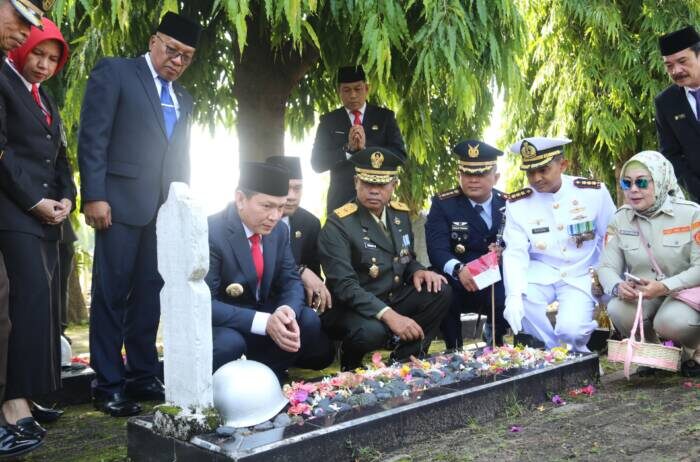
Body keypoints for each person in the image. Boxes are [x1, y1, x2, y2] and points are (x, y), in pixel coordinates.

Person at [78, 12, 202, 417]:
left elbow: (180, 158)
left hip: (164, 214)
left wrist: (182, 207)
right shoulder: (116, 73)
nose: (178, 62)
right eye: (172, 50)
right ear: (153, 42)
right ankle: (108, 384)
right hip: (117, 205)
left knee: (151, 293)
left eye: (187, 57)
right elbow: (94, 137)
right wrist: (94, 195)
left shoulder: (185, 99)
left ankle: (143, 373)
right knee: (112, 294)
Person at [0, 15, 73, 452]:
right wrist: (33, 202)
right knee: (23, 305)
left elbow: (59, 157)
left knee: (44, 306)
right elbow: (5, 155)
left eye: (52, 59)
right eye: (38, 54)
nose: (44, 65)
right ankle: (13, 402)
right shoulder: (4, 84)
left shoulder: (44, 98)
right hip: (15, 212)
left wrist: (68, 198)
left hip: (49, 216)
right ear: (22, 47)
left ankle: (29, 393)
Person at [318, 147, 451, 370]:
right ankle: (350, 362)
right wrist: (389, 316)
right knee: (372, 331)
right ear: (355, 182)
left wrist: (418, 270)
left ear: (393, 185)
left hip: (391, 296)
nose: (374, 191)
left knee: (441, 290)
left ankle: (405, 360)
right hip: (351, 308)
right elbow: (345, 286)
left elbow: (405, 258)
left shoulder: (399, 215)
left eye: (381, 184)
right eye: (367, 183)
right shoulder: (338, 224)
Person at [206, 162, 334, 379]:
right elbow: (204, 303)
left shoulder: (279, 231)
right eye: (267, 206)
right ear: (240, 199)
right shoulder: (211, 232)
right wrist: (265, 322)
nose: (275, 216)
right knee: (230, 344)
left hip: (265, 319)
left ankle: (270, 373)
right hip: (226, 325)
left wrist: (286, 311)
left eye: (281, 207)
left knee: (307, 321)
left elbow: (291, 281)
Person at [502, 137, 616, 352]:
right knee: (523, 301)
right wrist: (513, 295)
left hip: (580, 273)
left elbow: (610, 238)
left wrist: (608, 279)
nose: (536, 178)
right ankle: (550, 354)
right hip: (541, 273)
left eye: (543, 170)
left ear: (563, 165)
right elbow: (515, 252)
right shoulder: (517, 203)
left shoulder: (592, 192)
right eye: (529, 172)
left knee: (571, 331)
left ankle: (577, 354)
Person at [598, 151, 700, 377]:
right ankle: (653, 357)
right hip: (645, 294)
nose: (633, 189)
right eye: (627, 182)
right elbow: (606, 267)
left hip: (685, 294)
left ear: (661, 180)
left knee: (670, 321)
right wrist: (616, 286)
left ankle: (693, 352)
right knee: (617, 307)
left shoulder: (691, 214)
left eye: (642, 182)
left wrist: (664, 287)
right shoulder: (621, 218)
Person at [425, 140, 508, 349]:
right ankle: (454, 348)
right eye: (467, 174)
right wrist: (458, 269)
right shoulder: (444, 204)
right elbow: (437, 249)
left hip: (495, 277)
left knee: (514, 284)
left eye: (480, 174)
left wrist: (504, 250)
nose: (473, 180)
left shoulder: (508, 203)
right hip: (458, 277)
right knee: (441, 289)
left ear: (495, 177)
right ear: (458, 175)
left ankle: (497, 340)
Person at [311, 65, 407, 214]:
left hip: (377, 200)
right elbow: (317, 163)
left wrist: (366, 149)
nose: (353, 95)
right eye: (347, 90)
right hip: (340, 202)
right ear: (339, 92)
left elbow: (400, 155)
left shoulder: (384, 117)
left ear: (367, 89)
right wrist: (348, 150)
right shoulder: (329, 121)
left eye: (358, 89)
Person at [266, 155, 332, 312]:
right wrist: (299, 270)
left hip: (294, 302)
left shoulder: (309, 223)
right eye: (285, 187)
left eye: (297, 188)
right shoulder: (255, 218)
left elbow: (315, 277)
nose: (292, 196)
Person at [655, 26, 700, 201]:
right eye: (669, 65)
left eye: (682, 61)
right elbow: (671, 154)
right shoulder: (665, 102)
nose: (676, 71)